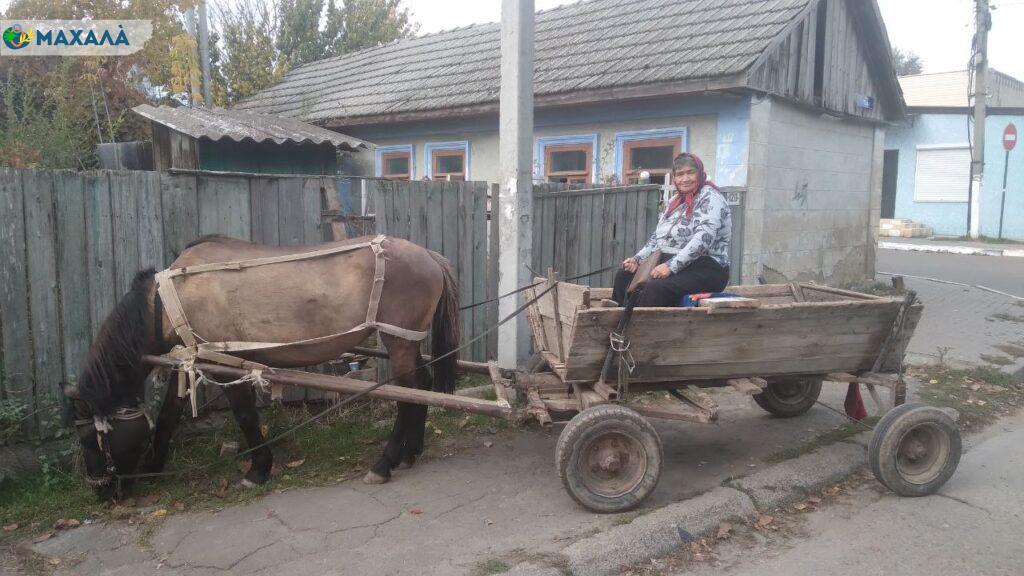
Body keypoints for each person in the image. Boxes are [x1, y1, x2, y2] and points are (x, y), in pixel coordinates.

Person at [612, 152, 731, 307]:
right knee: (624, 275)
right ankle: (617, 321)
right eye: (680, 174)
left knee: (655, 288)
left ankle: (640, 329)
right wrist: (637, 259)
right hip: (680, 265)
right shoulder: (675, 201)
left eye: (690, 173)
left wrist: (670, 266)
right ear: (674, 178)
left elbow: (703, 239)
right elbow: (658, 238)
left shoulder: (710, 198)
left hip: (708, 268)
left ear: (700, 174)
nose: (685, 179)